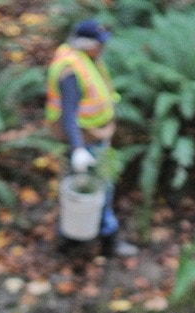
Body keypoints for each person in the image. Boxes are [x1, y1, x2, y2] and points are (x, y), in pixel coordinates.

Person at [45, 19, 138, 256]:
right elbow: (68, 113)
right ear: (88, 45)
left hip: (96, 138)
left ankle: (72, 239)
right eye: (99, 44)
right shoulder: (71, 70)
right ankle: (100, 240)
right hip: (86, 144)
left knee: (92, 189)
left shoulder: (86, 60)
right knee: (96, 190)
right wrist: (78, 149)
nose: (103, 48)